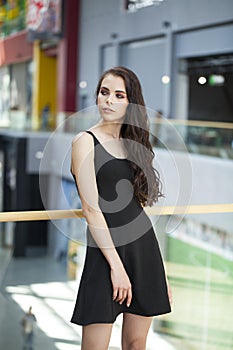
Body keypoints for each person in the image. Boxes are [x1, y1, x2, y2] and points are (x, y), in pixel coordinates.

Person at [70, 66, 172, 350]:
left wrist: (159, 273)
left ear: (130, 102)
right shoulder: (84, 142)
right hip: (106, 255)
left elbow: (136, 207)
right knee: (95, 346)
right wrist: (117, 267)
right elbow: (92, 210)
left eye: (118, 95)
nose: (109, 101)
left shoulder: (133, 144)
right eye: (104, 93)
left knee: (136, 343)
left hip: (143, 248)